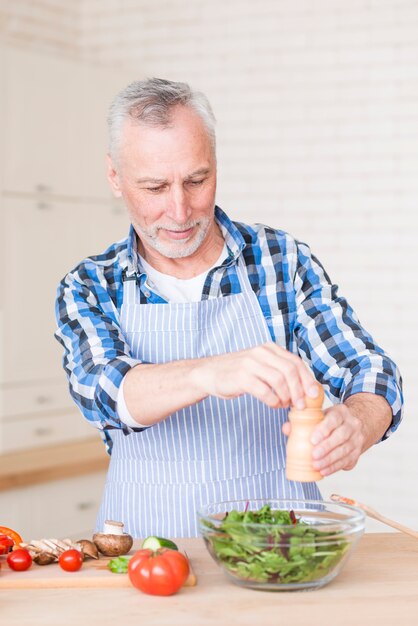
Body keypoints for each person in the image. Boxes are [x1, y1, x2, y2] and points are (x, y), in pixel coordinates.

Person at [55, 78, 403, 538]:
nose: (180, 211)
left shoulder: (281, 260)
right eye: (155, 187)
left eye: (197, 180)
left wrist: (359, 422)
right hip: (147, 552)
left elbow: (370, 370)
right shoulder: (91, 285)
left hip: (283, 545)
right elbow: (107, 395)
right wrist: (211, 372)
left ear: (215, 164)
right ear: (115, 177)